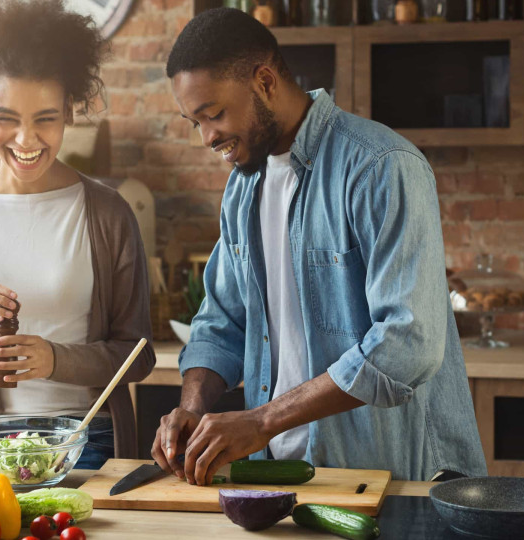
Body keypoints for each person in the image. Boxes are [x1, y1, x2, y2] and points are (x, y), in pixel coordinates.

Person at [151, 7, 487, 483]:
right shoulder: (243, 187)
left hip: (390, 478)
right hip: (279, 475)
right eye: (194, 122)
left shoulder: (381, 166)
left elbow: (408, 342)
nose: (208, 137)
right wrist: (191, 407)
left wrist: (262, 421)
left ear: (265, 81)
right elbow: (221, 321)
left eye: (216, 114)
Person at [0, 0, 155, 468]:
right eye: (8, 118)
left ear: (69, 112)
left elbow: (140, 356)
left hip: (87, 442)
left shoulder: (108, 214)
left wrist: (56, 360)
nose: (26, 140)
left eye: (45, 119)